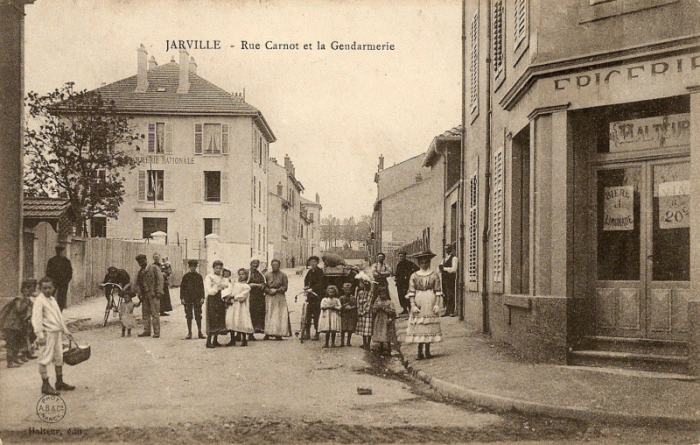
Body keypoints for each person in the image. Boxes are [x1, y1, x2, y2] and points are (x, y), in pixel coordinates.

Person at [31, 276, 75, 395]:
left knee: (58, 357)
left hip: (57, 333)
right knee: (44, 358)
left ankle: (59, 382)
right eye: (44, 288)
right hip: (47, 334)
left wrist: (66, 331)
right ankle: (45, 385)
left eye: (49, 288)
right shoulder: (39, 301)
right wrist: (40, 335)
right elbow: (36, 319)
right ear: (40, 289)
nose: (47, 290)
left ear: (53, 288)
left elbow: (59, 317)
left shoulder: (52, 300)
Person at [405, 250, 443, 360]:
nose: (424, 264)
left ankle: (427, 351)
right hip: (419, 299)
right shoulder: (414, 276)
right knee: (419, 325)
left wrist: (437, 304)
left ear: (429, 263)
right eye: (422, 262)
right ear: (419, 263)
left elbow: (437, 291)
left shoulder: (434, 275)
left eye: (426, 262)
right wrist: (412, 304)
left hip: (430, 299)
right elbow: (411, 291)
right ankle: (419, 351)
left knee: (428, 325)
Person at [0, 280, 34, 367]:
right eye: (26, 290)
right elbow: (19, 309)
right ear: (22, 290)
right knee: (11, 344)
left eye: (29, 290)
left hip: (17, 325)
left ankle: (14, 359)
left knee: (17, 343)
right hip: (11, 325)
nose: (28, 292)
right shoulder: (19, 299)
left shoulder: (28, 300)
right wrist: (27, 303)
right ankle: (10, 362)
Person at [134, 253, 164, 338]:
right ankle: (146, 330)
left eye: (143, 261)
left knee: (155, 313)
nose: (141, 263)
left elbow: (160, 280)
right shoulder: (140, 272)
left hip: (153, 294)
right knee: (145, 314)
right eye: (140, 262)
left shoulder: (154, 268)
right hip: (144, 295)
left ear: (146, 260)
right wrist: (139, 294)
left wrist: (159, 292)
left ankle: (156, 332)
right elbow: (137, 285)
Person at [223, 268, 253, 347]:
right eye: (239, 274)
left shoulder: (246, 286)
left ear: (246, 275)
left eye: (243, 274)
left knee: (241, 320)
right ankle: (232, 339)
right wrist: (228, 296)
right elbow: (230, 290)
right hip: (233, 305)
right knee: (232, 320)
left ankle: (244, 339)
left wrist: (233, 296)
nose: (241, 276)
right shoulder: (234, 284)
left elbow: (242, 296)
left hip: (241, 306)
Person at [264, 259, 291, 340]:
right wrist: (268, 291)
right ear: (271, 265)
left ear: (279, 265)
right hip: (269, 296)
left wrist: (277, 290)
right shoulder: (267, 275)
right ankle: (268, 333)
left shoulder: (283, 275)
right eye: (273, 265)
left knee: (279, 315)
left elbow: (285, 287)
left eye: (276, 265)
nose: (275, 266)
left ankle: (278, 333)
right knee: (269, 314)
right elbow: (264, 285)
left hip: (279, 297)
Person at [204, 260, 228, 348]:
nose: (218, 270)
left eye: (220, 268)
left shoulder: (222, 277)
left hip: (220, 299)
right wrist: (217, 288)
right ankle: (208, 341)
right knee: (212, 318)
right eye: (216, 268)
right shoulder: (209, 277)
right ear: (213, 268)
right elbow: (209, 290)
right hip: (212, 299)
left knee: (219, 318)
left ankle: (215, 340)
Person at [180, 259, 205, 340]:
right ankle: (189, 332)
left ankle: (200, 332)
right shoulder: (185, 277)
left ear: (196, 267)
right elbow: (182, 288)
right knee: (189, 315)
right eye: (191, 266)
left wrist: (202, 297)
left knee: (198, 315)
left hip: (197, 298)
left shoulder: (199, 276)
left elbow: (202, 288)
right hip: (188, 299)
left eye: (194, 266)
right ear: (189, 267)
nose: (193, 268)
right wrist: (182, 298)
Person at [303, 255, 325, 341]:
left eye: (314, 262)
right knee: (308, 314)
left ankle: (317, 333)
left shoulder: (320, 272)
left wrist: (313, 288)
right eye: (311, 262)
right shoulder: (309, 272)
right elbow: (306, 281)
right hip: (310, 296)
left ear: (317, 263)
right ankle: (307, 333)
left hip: (317, 296)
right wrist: (305, 287)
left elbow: (321, 283)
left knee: (316, 315)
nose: (312, 263)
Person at [45, 245, 72, 311]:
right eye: (60, 251)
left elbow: (70, 273)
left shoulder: (66, 261)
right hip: (55, 282)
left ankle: (59, 312)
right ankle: (53, 312)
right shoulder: (52, 261)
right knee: (51, 297)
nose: (61, 252)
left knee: (61, 299)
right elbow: (48, 272)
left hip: (62, 283)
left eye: (61, 251)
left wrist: (66, 281)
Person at [372, 284, 397, 355]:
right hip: (379, 319)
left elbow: (393, 312)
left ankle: (389, 348)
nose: (382, 295)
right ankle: (381, 347)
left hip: (386, 319)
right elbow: (374, 311)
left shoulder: (389, 302)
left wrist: (384, 309)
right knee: (380, 333)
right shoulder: (377, 302)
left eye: (384, 294)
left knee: (387, 333)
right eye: (381, 294)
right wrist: (376, 308)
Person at [247, 259, 267, 339]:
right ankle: (249, 333)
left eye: (256, 263)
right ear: (250, 263)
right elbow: (245, 283)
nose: (255, 265)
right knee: (250, 313)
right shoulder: (247, 273)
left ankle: (256, 330)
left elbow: (264, 282)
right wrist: (256, 285)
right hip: (250, 296)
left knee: (258, 314)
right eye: (253, 263)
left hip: (259, 296)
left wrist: (263, 285)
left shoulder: (260, 274)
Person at [395, 251, 419, 315]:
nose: (401, 257)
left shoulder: (409, 263)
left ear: (405, 256)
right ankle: (404, 309)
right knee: (401, 296)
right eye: (400, 256)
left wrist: (410, 274)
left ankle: (410, 308)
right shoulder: (399, 264)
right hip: (400, 283)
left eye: (402, 256)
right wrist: (396, 278)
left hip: (406, 282)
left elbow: (417, 269)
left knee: (408, 295)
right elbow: (397, 273)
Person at [354, 272, 374, 350]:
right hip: (361, 312)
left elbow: (369, 303)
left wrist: (364, 311)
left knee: (368, 329)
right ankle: (364, 343)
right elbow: (358, 302)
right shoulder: (360, 293)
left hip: (367, 313)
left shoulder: (370, 293)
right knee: (362, 328)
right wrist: (359, 310)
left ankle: (368, 344)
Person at [439, 243, 458, 317]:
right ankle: (447, 310)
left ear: (451, 249)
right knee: (445, 294)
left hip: (450, 278)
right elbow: (439, 269)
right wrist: (440, 269)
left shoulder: (454, 258)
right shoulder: (444, 259)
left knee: (450, 294)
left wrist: (444, 269)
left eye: (448, 249)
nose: (447, 250)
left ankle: (451, 311)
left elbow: (454, 269)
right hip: (444, 278)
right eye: (445, 249)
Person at [339, 282, 357, 347]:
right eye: (346, 290)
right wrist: (344, 306)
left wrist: (351, 308)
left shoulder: (353, 298)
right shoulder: (341, 298)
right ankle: (342, 341)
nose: (347, 291)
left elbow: (355, 305)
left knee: (350, 329)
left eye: (349, 290)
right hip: (343, 314)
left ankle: (348, 341)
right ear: (343, 289)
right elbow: (339, 306)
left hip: (350, 315)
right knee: (343, 329)